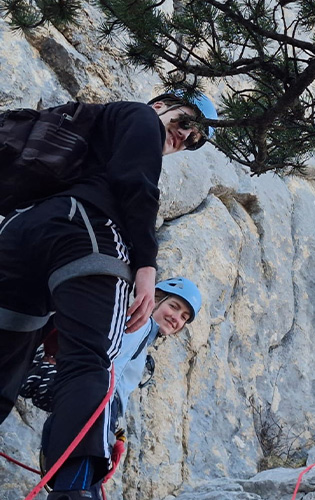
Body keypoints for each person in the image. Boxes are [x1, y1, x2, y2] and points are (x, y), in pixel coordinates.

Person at [0, 92, 216, 500]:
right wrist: (146, 265)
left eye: (194, 141)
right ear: (161, 105)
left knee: (7, 360)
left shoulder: (95, 128)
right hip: (87, 228)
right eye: (187, 122)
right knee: (89, 360)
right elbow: (137, 184)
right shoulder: (141, 117)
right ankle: (76, 490)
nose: (185, 137)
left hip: (19, 231)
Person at [22, 277, 202, 458]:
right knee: (82, 470)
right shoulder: (140, 327)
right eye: (173, 306)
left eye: (183, 317)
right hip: (96, 404)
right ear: (155, 299)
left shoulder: (137, 333)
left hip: (87, 402)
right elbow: (107, 369)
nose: (176, 318)